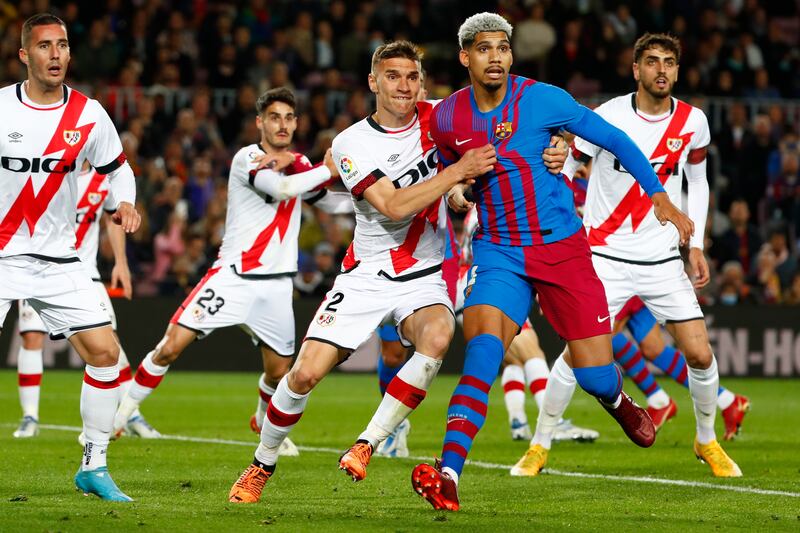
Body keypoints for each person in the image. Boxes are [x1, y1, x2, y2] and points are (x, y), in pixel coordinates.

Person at [412, 13, 693, 511]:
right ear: (465, 57)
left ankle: (616, 400)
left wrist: (658, 197)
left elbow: (615, 139)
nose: (495, 56)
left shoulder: (545, 99)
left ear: (512, 55)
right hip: (500, 251)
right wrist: (458, 190)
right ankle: (449, 472)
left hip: (563, 250)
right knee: (482, 351)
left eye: (502, 47)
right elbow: (445, 173)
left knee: (594, 376)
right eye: (483, 49)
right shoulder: (448, 117)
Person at [227, 40, 493, 504]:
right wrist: (454, 177)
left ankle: (368, 442)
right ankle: (261, 463)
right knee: (304, 375)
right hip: (367, 275)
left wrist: (460, 193)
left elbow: (454, 180)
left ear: (422, 82)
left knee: (439, 334)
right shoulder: (351, 143)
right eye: (393, 76)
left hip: (425, 273)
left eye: (412, 77)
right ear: (373, 82)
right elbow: (392, 205)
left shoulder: (439, 120)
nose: (404, 86)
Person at [540, 32, 741, 477]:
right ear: (636, 69)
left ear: (677, 68)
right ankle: (540, 445)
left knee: (701, 355)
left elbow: (699, 183)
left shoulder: (694, 122)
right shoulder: (607, 115)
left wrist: (697, 244)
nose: (661, 69)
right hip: (604, 257)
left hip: (663, 261)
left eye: (669, 61)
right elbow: (572, 162)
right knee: (578, 355)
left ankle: (706, 441)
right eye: (652, 61)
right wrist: (561, 207)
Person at [113, 87, 352, 460]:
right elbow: (285, 188)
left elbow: (330, 202)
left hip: (275, 287)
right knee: (170, 346)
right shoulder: (248, 158)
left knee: (278, 373)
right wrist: (329, 169)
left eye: (289, 118)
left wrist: (376, 199)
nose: (283, 124)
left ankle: (262, 422)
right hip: (233, 277)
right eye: (275, 117)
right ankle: (121, 415)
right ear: (260, 122)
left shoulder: (302, 164)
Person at [0, 14, 141, 501]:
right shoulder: (0, 109)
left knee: (104, 355)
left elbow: (119, 170)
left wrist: (125, 201)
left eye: (62, 45)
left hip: (60, 262)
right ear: (25, 56)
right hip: (1, 257)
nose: (56, 54)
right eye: (44, 46)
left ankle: (93, 466)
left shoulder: (88, 113)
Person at [12, 165, 159, 440]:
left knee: (110, 342)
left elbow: (112, 221)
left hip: (85, 273)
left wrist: (121, 263)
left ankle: (130, 415)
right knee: (31, 337)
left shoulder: (102, 181)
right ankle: (29, 416)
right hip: (40, 268)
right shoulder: (46, 169)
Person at [610, 296, 750, 439]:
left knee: (606, 333)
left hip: (623, 281)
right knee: (653, 348)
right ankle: (727, 400)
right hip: (638, 284)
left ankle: (658, 400)